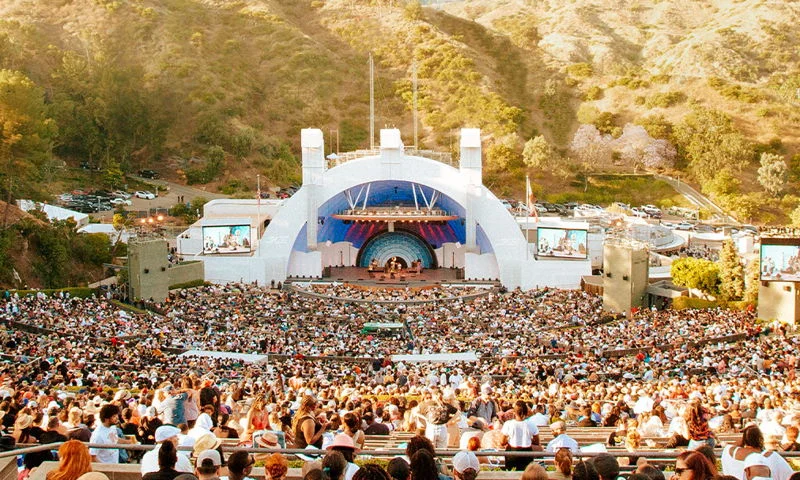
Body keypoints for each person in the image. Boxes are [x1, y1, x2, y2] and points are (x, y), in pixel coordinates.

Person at [501, 400, 539, 471]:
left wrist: (509, 440)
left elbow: (502, 442)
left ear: (514, 412)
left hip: (512, 453)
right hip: (527, 454)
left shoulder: (508, 424)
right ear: (526, 412)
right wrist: (527, 439)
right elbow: (537, 442)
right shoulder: (531, 425)